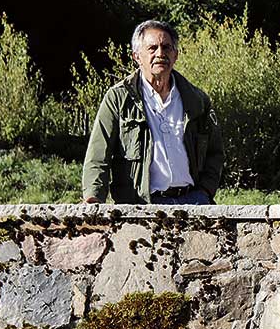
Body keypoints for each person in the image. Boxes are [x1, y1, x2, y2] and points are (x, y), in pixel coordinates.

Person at [82, 20, 224, 205]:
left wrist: (205, 191)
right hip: (141, 205)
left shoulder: (197, 100)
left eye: (167, 47)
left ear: (176, 55)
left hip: (194, 201)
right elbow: (98, 155)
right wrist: (93, 199)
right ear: (137, 56)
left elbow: (216, 152)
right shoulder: (118, 98)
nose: (160, 54)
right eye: (152, 48)